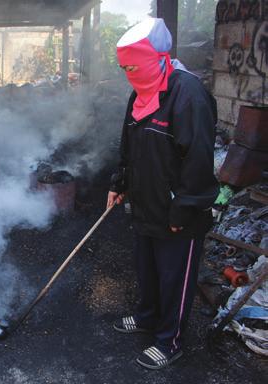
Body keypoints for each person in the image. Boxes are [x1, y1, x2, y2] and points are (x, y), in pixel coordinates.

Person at [107, 18, 219, 370]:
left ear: (157, 58)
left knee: (174, 277)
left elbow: (200, 158)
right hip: (145, 203)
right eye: (125, 68)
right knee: (148, 269)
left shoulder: (188, 94)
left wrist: (185, 209)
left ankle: (170, 341)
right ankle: (147, 316)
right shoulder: (139, 91)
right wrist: (119, 182)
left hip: (176, 211)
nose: (130, 74)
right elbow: (129, 143)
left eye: (134, 66)